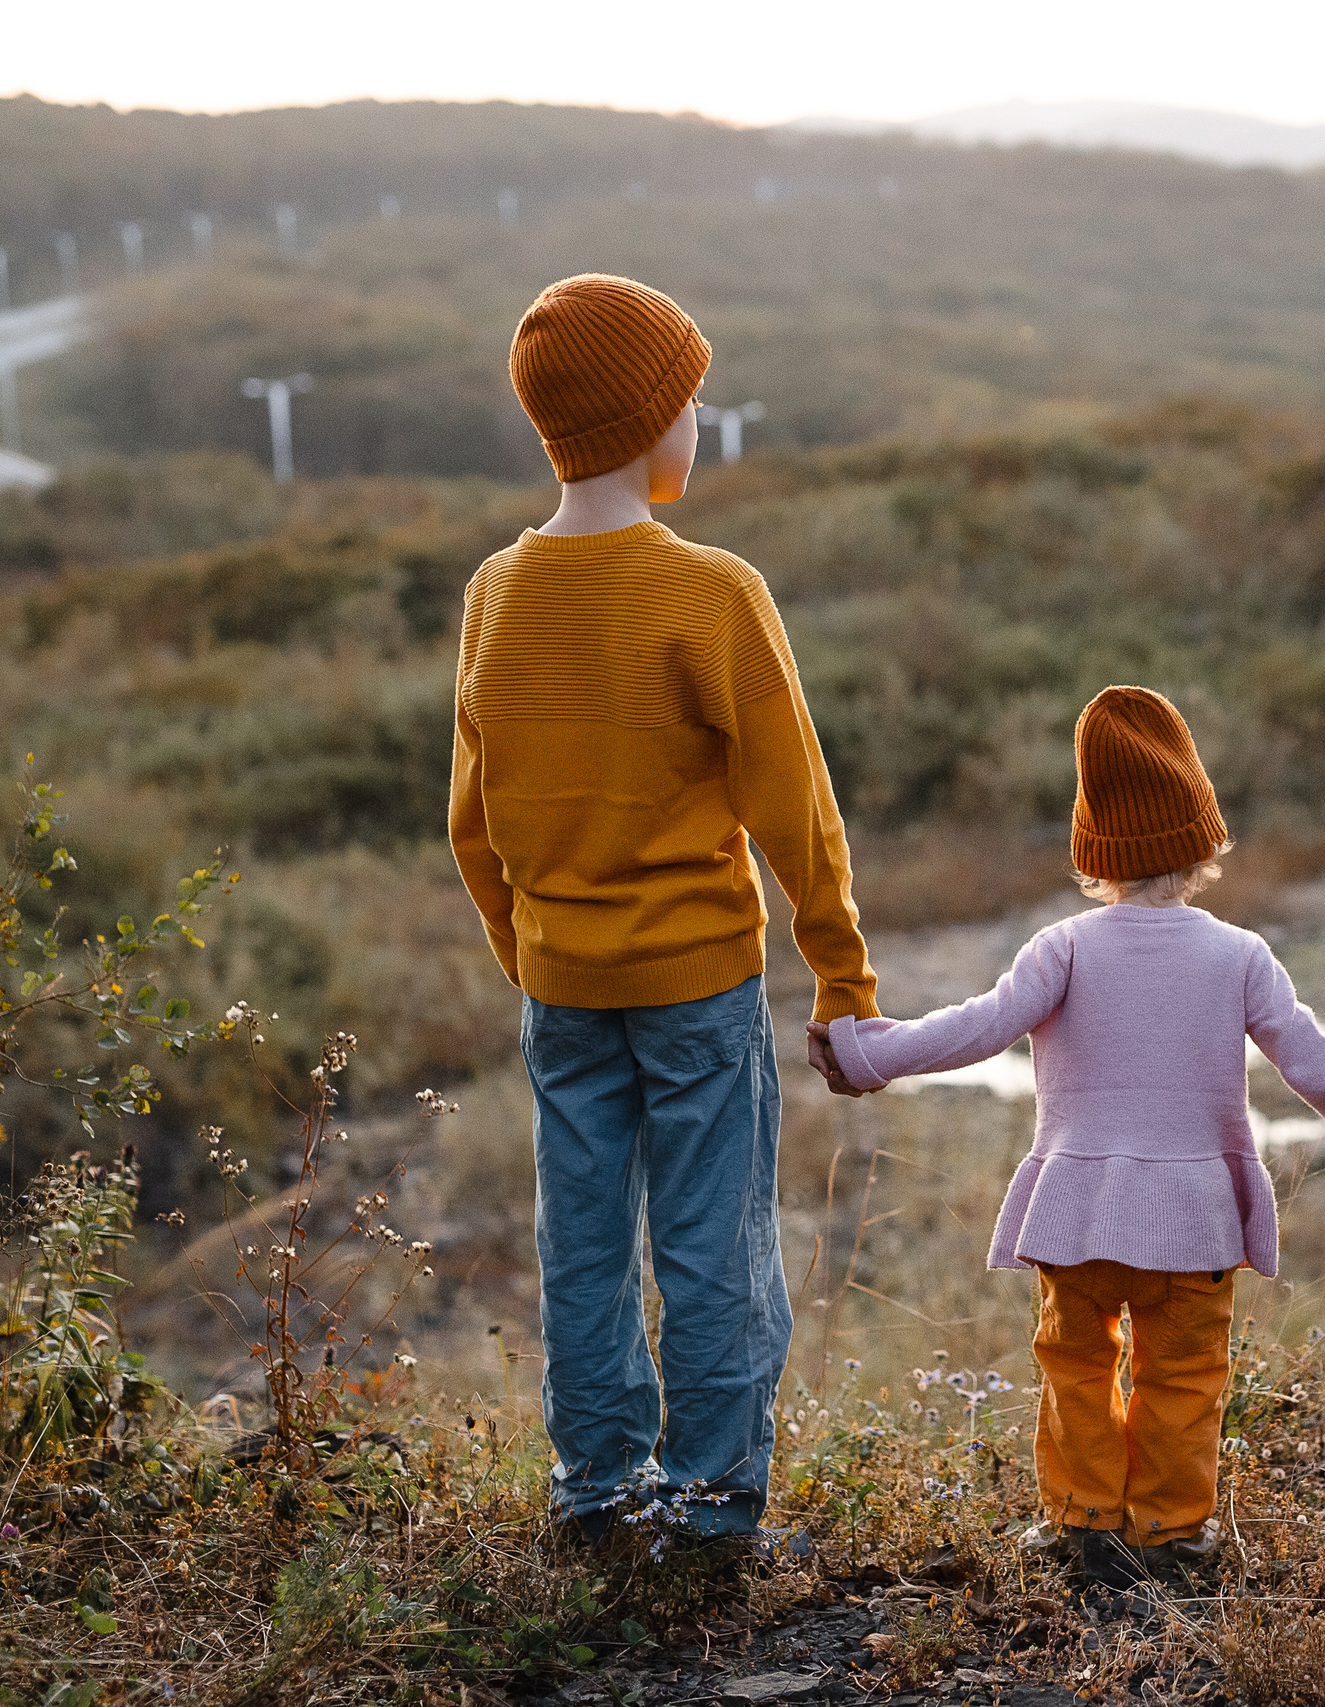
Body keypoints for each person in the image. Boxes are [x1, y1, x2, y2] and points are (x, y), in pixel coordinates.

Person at [807, 686, 1325, 1587]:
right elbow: (1313, 1063)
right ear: (1205, 835)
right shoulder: (1240, 955)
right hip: (1193, 1228)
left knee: (1075, 1367)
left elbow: (975, 1027)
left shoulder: (1060, 948)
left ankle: (1085, 1522)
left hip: (1077, 1219)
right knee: (1181, 1379)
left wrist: (867, 1052)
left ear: (1091, 847)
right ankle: (1172, 1531)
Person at [449, 273, 877, 1548]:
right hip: (697, 987)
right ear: (651, 422)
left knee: (580, 1242)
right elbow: (796, 814)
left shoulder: (493, 594)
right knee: (710, 1241)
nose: (698, 421)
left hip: (561, 991)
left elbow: (473, 823)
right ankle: (707, 1499)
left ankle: (594, 1488)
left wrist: (530, 956)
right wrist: (842, 979)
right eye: (691, 398)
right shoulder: (712, 592)